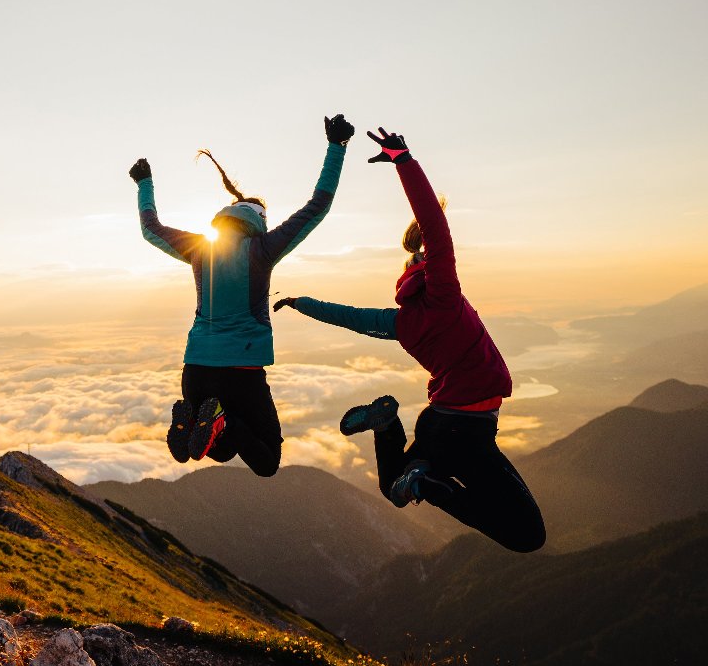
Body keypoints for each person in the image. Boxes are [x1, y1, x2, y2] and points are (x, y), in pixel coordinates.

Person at [273, 127, 546, 552]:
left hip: (442, 425)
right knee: (527, 535)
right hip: (465, 428)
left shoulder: (401, 322)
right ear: (426, 265)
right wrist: (403, 159)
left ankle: (389, 429)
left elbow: (349, 317)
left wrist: (300, 302)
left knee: (394, 485)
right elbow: (435, 227)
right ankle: (424, 475)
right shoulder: (443, 294)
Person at [130, 114, 354, 473]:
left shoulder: (200, 247)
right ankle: (224, 421)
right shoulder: (263, 248)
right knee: (267, 459)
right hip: (242, 373)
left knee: (215, 451)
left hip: (196, 369)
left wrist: (144, 183)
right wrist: (336, 146)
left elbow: (150, 229)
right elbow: (318, 207)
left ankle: (204, 418)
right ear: (258, 220)